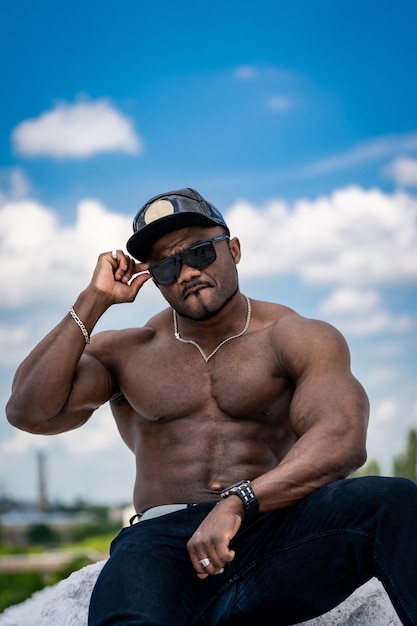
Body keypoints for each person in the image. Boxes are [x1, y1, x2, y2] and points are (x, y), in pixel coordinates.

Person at [6, 187, 417, 626]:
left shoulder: (295, 336)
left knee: (393, 501)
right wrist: (94, 301)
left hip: (275, 535)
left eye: (200, 253)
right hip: (161, 545)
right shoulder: (128, 352)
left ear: (234, 250)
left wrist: (240, 502)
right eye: (165, 266)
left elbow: (342, 438)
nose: (186, 272)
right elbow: (30, 411)